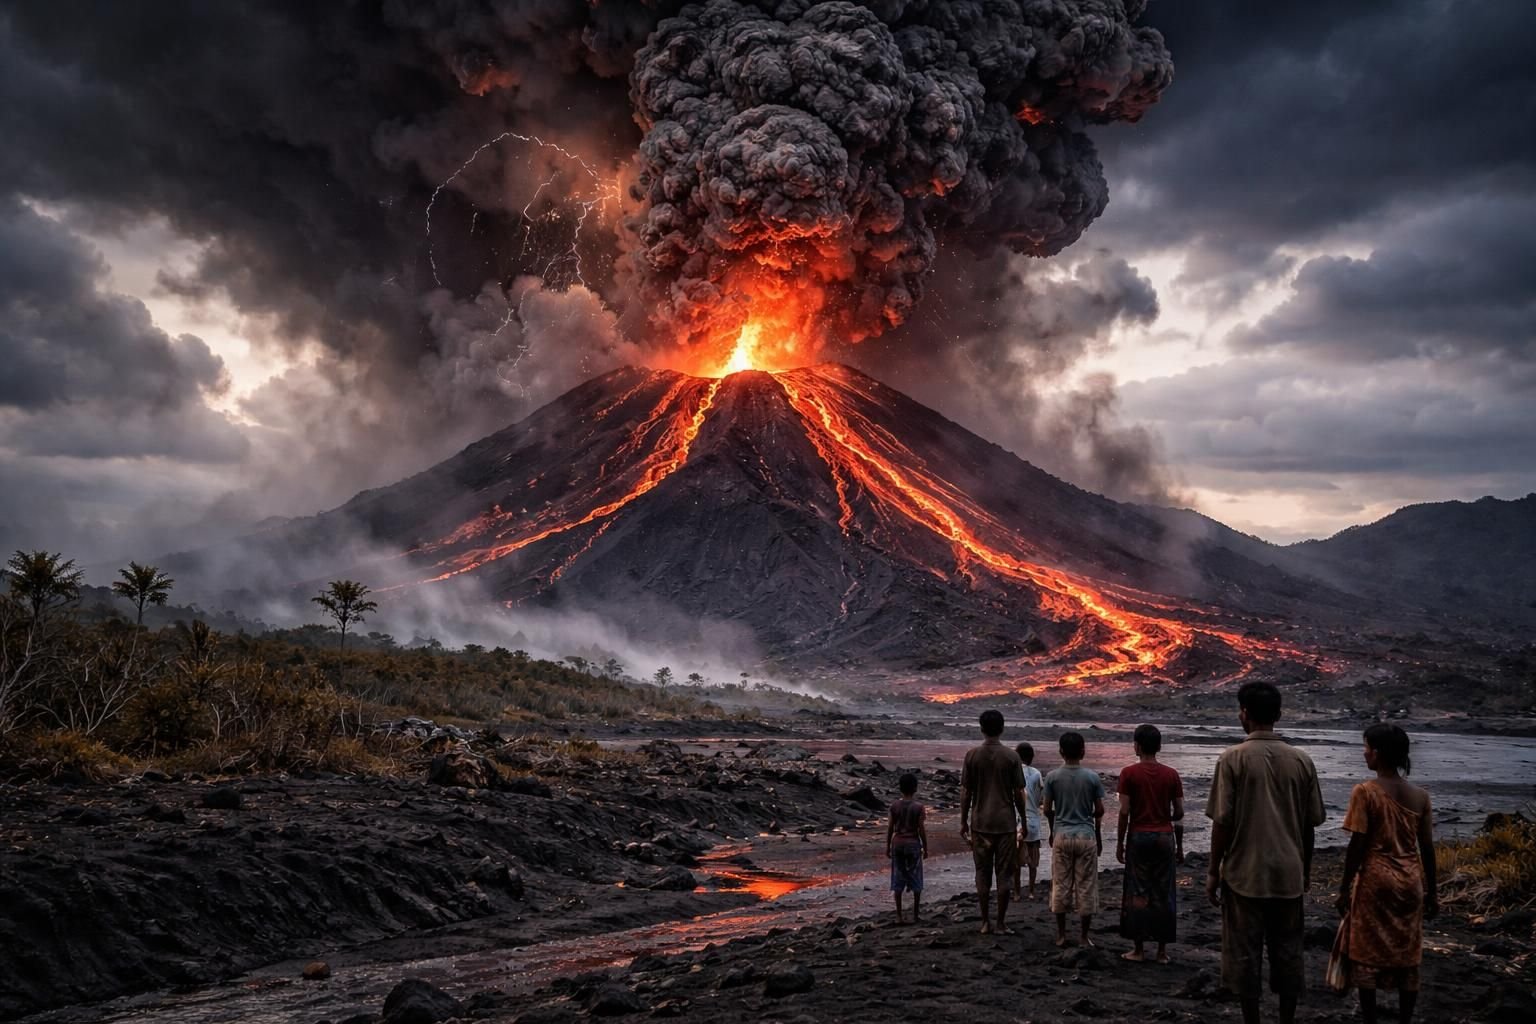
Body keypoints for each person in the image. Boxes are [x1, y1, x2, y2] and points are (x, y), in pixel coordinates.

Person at [1206, 682, 1326, 1024]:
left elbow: (1221, 822)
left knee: (1244, 954)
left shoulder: (1232, 759)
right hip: (1288, 874)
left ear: (1243, 714)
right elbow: (1309, 825)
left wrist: (1213, 871)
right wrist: (1305, 869)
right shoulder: (1302, 761)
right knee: (1288, 952)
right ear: (1278, 714)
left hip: (1245, 873)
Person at [1336, 724, 1437, 1024]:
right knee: (1408, 952)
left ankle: (1371, 1019)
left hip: (1375, 881)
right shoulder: (1421, 796)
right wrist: (1433, 892)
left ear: (1377, 754)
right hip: (1411, 882)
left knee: (1366, 951)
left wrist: (1343, 887)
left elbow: (1357, 845)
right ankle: (1405, 1019)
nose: (1363, 752)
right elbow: (1427, 849)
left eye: (1366, 747)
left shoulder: (1365, 792)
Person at [1116, 723, 1185, 963]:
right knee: (1163, 891)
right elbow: (1179, 812)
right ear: (1159, 747)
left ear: (1137, 745)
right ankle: (1162, 952)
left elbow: (1124, 811)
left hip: (1139, 836)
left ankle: (1138, 949)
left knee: (1139, 890)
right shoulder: (1172, 774)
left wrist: (1119, 842)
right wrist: (1164, 817)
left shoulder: (1128, 773)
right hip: (1164, 837)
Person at [960, 709, 1028, 934]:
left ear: (981, 728)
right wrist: (1024, 820)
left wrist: (963, 821)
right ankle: (1000, 922)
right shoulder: (1011, 757)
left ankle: (984, 922)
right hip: (1005, 823)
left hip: (980, 823)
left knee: (982, 872)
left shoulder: (971, 756)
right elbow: (1019, 792)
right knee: (1004, 874)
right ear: (1002, 728)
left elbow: (966, 792)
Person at [1042, 730, 1106, 948]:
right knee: (1086, 885)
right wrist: (1097, 833)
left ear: (1060, 752)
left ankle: (1061, 935)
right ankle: (1083, 937)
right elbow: (1099, 810)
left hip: (1062, 835)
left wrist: (1052, 831)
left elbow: (1048, 809)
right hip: (1086, 836)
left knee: (1061, 884)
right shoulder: (1092, 777)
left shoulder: (1051, 777)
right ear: (1083, 751)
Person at [887, 771, 929, 925]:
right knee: (916, 877)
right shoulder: (918, 807)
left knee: (898, 877)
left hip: (897, 842)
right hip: (912, 843)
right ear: (915, 788)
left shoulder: (894, 806)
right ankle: (915, 915)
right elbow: (921, 829)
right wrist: (926, 846)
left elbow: (890, 828)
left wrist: (887, 846)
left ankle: (899, 915)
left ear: (900, 788)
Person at [1013, 741, 1045, 900]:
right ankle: (1031, 891)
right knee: (1033, 860)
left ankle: (1017, 892)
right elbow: (1041, 799)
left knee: (1016, 862)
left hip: (1016, 821)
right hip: (1033, 820)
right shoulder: (1037, 774)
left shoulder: (1012, 772)